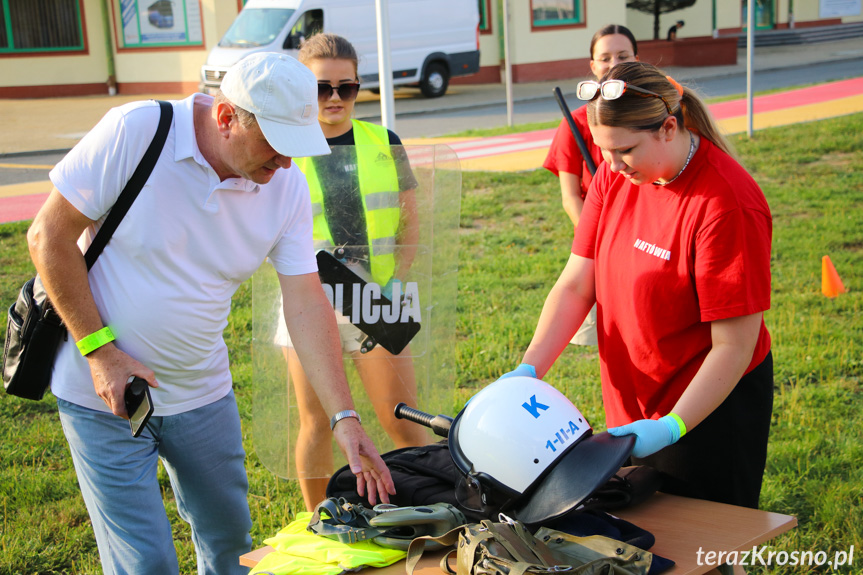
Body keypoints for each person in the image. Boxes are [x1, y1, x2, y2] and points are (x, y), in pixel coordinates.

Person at [27, 52, 395, 575]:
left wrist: (345, 417)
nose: (287, 163)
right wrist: (100, 352)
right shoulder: (138, 130)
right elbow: (48, 238)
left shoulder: (284, 184)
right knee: (145, 562)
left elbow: (306, 300)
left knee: (232, 548)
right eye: (276, 145)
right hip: (103, 396)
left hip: (203, 393)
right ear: (226, 119)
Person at [505, 61, 774, 511]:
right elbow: (576, 284)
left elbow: (734, 345)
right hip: (633, 398)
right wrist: (529, 370)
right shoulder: (614, 175)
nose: (610, 165)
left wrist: (672, 426)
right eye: (602, 150)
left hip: (708, 408)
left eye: (624, 149)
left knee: (714, 545)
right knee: (650, 539)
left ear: (669, 128)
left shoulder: (727, 204)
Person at [274, 33, 427, 511]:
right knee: (317, 422)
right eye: (322, 89)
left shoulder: (384, 142)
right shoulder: (280, 146)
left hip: (376, 293)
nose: (335, 98)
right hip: (309, 300)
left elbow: (410, 222)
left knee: (400, 418)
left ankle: (428, 502)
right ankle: (318, 519)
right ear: (303, 89)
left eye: (347, 87)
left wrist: (395, 281)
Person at [543, 24, 639, 346]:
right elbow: (570, 197)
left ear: (637, 60)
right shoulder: (576, 123)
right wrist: (599, 237)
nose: (613, 64)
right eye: (605, 58)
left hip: (644, 238)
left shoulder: (652, 116)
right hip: (598, 241)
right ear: (593, 66)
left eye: (623, 56)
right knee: (605, 339)